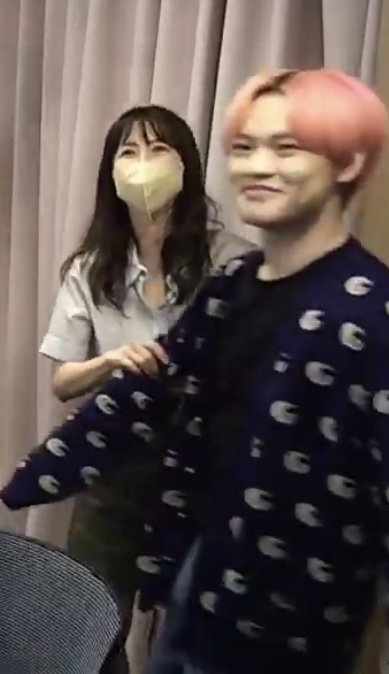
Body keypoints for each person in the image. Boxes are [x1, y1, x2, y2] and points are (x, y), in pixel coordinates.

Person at [3, 68, 389, 674]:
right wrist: (24, 483)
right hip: (200, 595)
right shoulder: (232, 288)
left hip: (293, 635)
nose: (258, 166)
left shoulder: (381, 318)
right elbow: (141, 397)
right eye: (244, 147)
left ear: (346, 163)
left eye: (286, 147)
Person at [35, 104, 253, 671]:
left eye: (158, 150)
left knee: (196, 630)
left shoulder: (230, 260)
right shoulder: (90, 269)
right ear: (111, 172)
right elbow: (62, 381)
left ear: (186, 165)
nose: (143, 163)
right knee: (92, 624)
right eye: (129, 152)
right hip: (114, 469)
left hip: (203, 471)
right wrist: (112, 361)